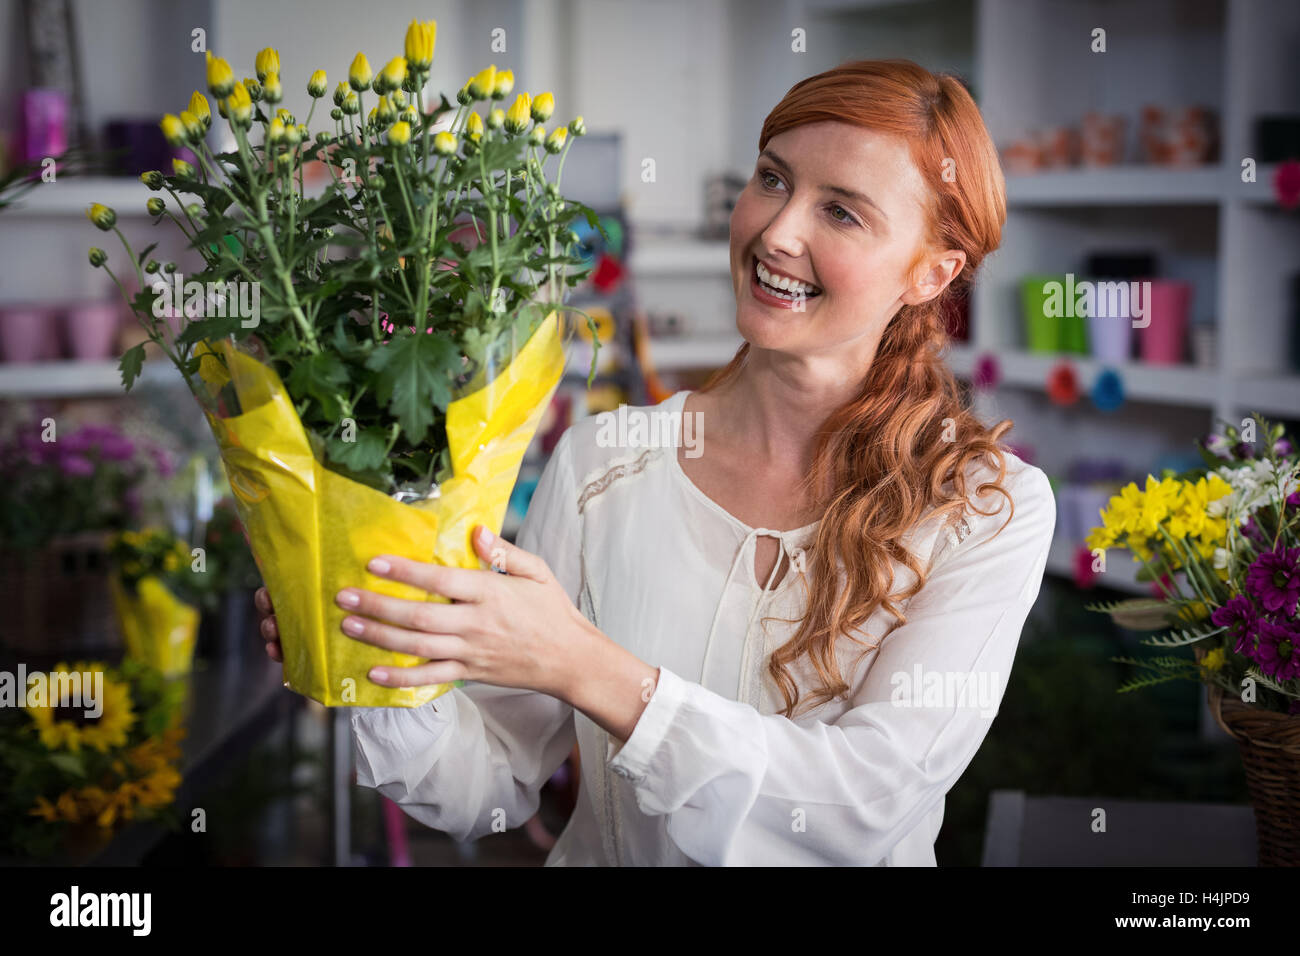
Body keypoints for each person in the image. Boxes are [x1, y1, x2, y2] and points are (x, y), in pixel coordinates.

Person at [256, 58, 1056, 866]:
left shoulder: (985, 509)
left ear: (933, 271)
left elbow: (860, 806)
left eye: (841, 213)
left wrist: (584, 666)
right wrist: (373, 644)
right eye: (772, 179)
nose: (777, 231)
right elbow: (489, 782)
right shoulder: (607, 461)